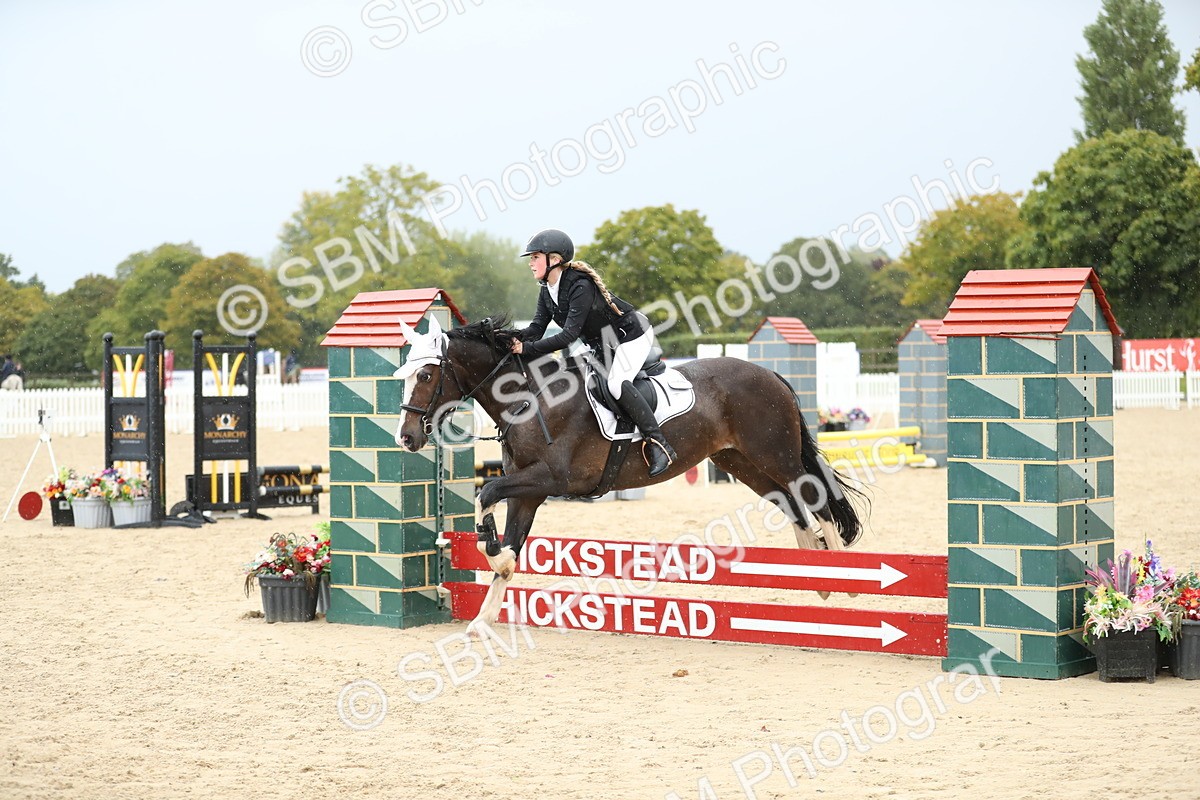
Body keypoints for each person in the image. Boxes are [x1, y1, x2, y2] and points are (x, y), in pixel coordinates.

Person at [511, 228, 678, 477]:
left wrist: (527, 348)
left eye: (535, 257)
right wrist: (508, 340)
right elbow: (536, 328)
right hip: (602, 344)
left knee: (616, 384)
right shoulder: (547, 289)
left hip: (630, 335)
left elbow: (567, 336)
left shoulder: (580, 285)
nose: (531, 263)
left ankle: (659, 444)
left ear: (554, 259)